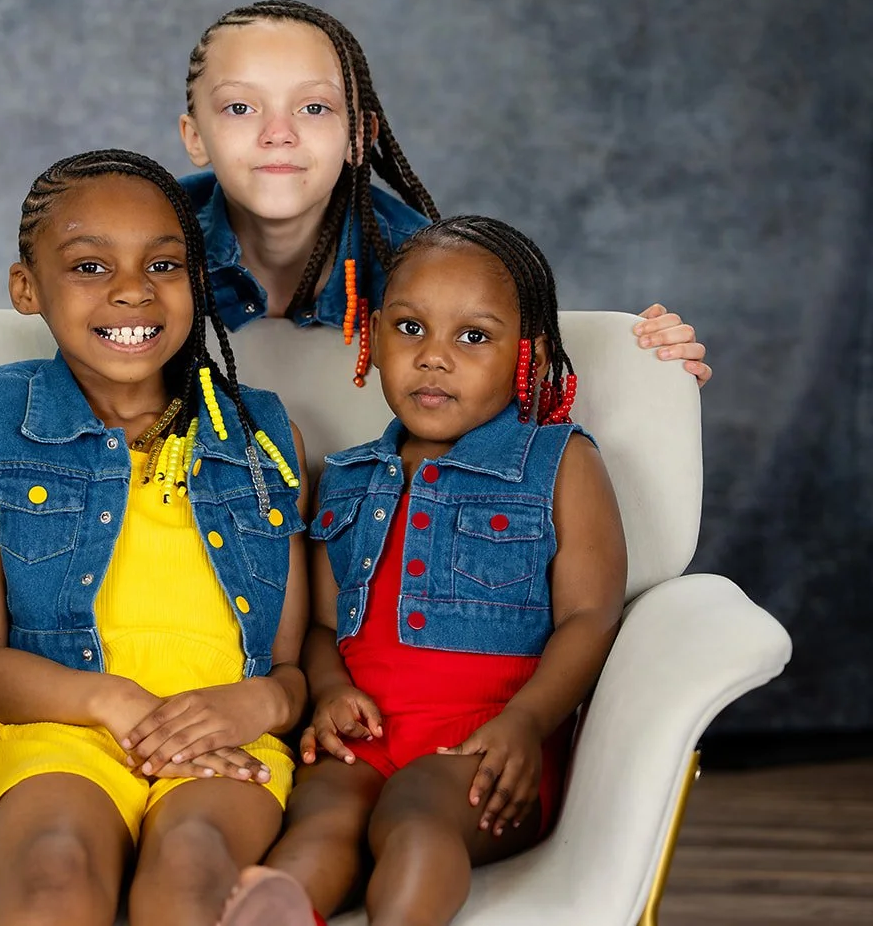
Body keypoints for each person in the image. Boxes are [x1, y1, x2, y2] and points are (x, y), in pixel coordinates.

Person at [0, 0, 712, 385]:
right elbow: (70, 316)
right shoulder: (152, 230)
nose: (277, 134)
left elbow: (516, 364)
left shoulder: (419, 258)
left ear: (360, 135)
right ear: (194, 136)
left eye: (314, 107)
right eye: (240, 108)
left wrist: (643, 357)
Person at [0, 149, 317, 925]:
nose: (133, 288)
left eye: (164, 264)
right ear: (26, 287)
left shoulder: (263, 439)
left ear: (197, 280)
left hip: (220, 738)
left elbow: (288, 664)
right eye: (89, 266)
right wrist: (112, 700)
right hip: (60, 730)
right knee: (55, 870)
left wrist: (262, 702)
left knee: (192, 863)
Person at [216, 216, 628, 926]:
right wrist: (331, 689)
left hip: (488, 742)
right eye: (410, 329)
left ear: (526, 357)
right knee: (321, 814)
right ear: (374, 337)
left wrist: (528, 723)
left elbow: (590, 616)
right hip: (367, 735)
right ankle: (278, 909)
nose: (434, 358)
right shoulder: (345, 477)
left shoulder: (558, 461)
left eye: (473, 337)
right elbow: (323, 627)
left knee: (414, 811)